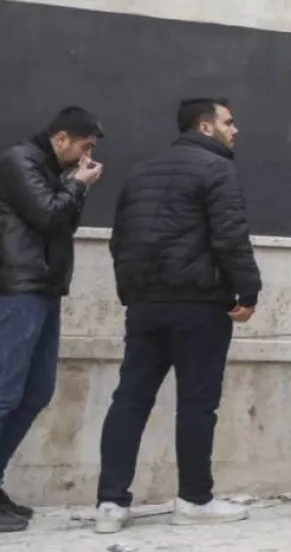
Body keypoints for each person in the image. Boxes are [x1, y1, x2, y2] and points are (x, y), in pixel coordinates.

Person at [95, 99, 261, 534]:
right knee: (197, 405)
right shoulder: (218, 170)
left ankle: (110, 504)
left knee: (130, 399)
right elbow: (230, 235)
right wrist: (249, 289)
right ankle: (194, 499)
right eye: (229, 121)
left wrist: (131, 293)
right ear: (205, 127)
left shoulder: (139, 172)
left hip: (146, 305)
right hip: (200, 305)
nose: (235, 130)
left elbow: (120, 241)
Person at [0, 107, 105, 534]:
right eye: (84, 146)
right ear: (61, 139)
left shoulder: (46, 168)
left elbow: (63, 222)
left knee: (36, 392)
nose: (85, 155)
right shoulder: (19, 161)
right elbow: (47, 215)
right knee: (1, 393)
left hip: (44, 289)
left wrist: (76, 188)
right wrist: (76, 183)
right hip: (16, 288)